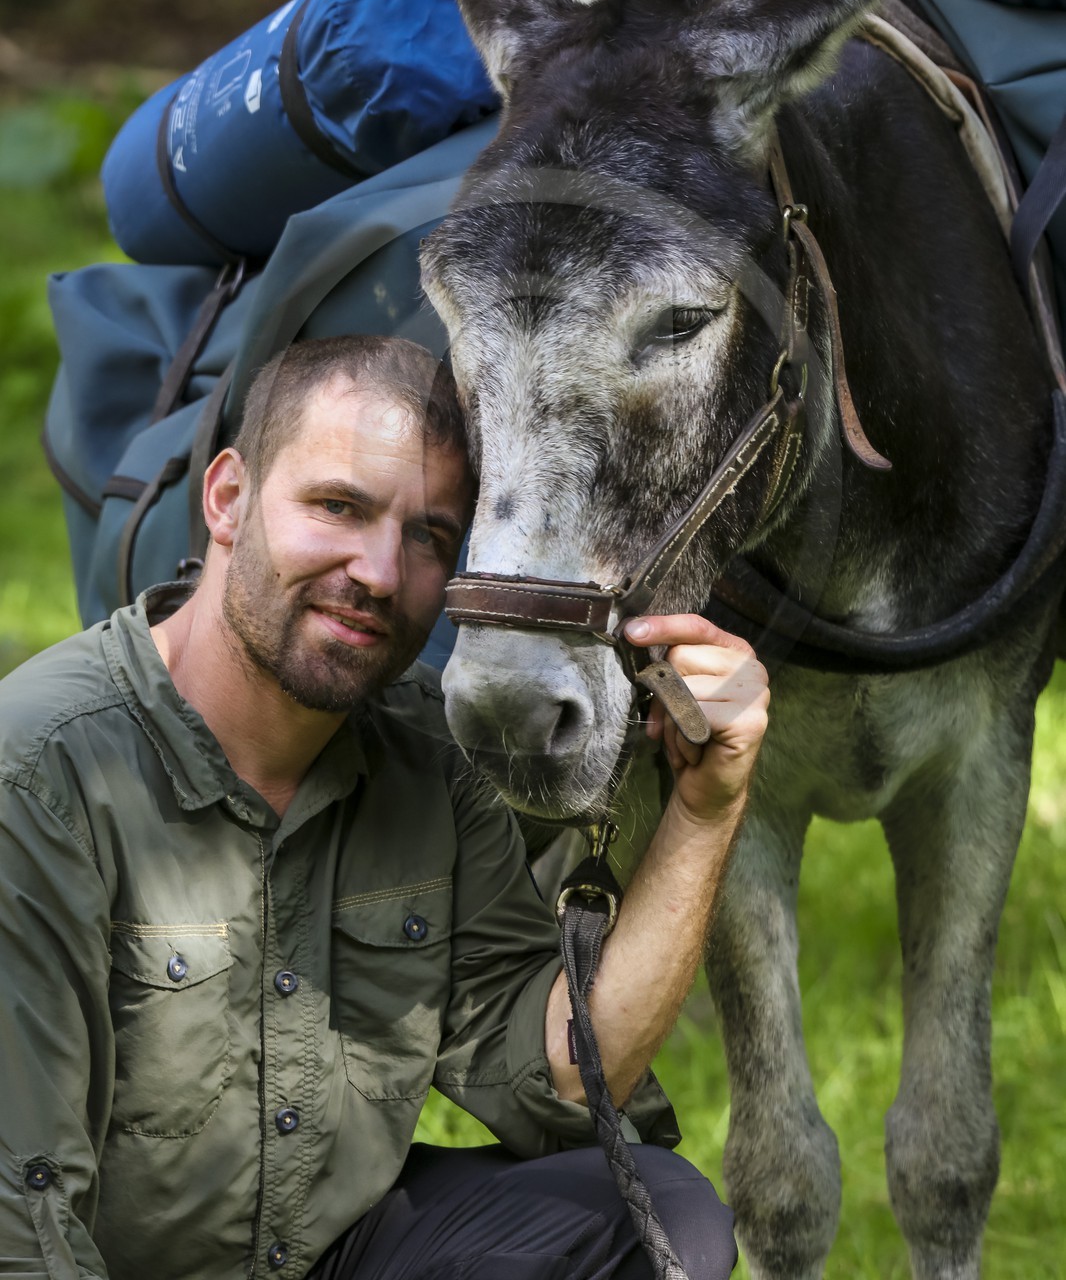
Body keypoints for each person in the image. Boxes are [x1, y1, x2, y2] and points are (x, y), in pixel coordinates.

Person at [0, 334, 769, 1280]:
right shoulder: (38, 774)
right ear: (228, 499)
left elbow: (565, 1081)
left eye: (428, 537)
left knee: (653, 1217)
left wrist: (704, 807)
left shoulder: (429, 765)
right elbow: (21, 1218)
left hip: (326, 1252)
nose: (375, 571)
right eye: (338, 506)